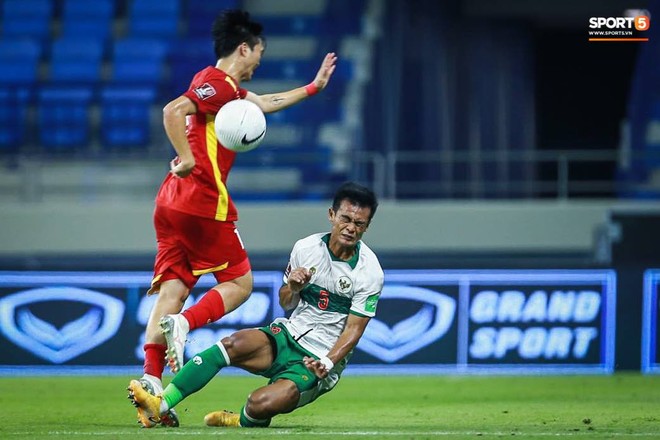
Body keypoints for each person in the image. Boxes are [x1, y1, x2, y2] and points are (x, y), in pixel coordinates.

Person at [134, 9, 337, 427]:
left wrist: (313, 88)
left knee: (173, 288)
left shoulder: (225, 91)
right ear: (243, 48)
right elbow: (173, 111)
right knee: (240, 283)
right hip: (203, 199)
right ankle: (184, 325)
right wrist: (189, 159)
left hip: (169, 204)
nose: (260, 61)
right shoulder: (217, 83)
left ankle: (151, 385)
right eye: (259, 52)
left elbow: (266, 103)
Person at [128, 182, 383, 429]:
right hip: (288, 335)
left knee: (259, 403)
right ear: (331, 215)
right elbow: (286, 302)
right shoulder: (306, 248)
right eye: (346, 219)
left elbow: (353, 330)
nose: (350, 228)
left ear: (367, 227)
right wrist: (294, 287)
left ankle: (240, 419)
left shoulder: (369, 271)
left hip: (318, 359)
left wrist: (327, 363)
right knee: (231, 345)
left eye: (359, 224)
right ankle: (160, 405)